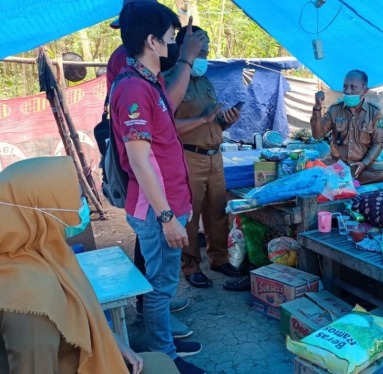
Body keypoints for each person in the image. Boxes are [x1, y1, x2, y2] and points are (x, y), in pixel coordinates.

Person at [0, 157, 179, 374]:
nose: (81, 206)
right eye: (76, 198)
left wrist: (111, 340)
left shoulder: (44, 255)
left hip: (89, 356)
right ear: (43, 212)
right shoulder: (29, 302)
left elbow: (74, 314)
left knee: (161, 364)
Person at [102, 0, 207, 343]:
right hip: (156, 210)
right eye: (169, 36)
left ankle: (162, 345)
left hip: (167, 203)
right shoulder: (133, 88)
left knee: (161, 282)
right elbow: (140, 160)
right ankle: (166, 355)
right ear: (152, 41)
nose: (173, 43)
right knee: (160, 287)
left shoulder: (150, 81)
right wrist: (167, 217)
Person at [164, 26, 241, 288]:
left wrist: (225, 121)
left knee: (218, 211)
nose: (205, 58)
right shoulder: (169, 80)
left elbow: (213, 124)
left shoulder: (206, 82)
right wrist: (203, 119)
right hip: (188, 158)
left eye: (207, 52)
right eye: (201, 52)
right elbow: (165, 126)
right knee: (190, 215)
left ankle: (219, 259)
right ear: (185, 49)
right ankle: (191, 266)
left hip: (214, 156)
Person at [311, 70, 383, 185]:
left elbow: (378, 143)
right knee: (310, 168)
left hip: (359, 166)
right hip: (335, 164)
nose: (348, 91)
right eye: (345, 87)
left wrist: (364, 164)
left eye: (353, 87)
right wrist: (317, 107)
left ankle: (339, 180)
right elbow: (317, 135)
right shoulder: (335, 110)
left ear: (364, 91)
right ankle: (346, 181)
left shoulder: (374, 112)